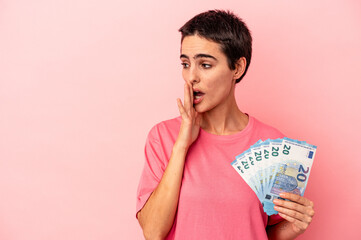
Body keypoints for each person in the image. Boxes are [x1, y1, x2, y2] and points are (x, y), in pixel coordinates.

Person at [136, 9, 315, 240]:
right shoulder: (162, 137)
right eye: (185, 63)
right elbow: (152, 232)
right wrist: (181, 144)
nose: (191, 77)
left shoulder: (275, 146)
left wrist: (294, 227)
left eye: (205, 65)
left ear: (237, 68)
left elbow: (262, 232)